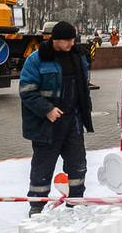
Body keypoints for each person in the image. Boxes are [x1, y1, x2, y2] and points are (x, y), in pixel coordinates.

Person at [19, 21, 94, 217]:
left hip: (72, 120)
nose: (72, 43)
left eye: (73, 38)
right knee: (43, 164)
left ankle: (76, 201)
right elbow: (27, 91)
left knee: (77, 163)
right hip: (47, 122)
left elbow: (83, 87)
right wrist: (47, 110)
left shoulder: (78, 57)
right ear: (56, 40)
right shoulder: (37, 60)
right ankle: (37, 205)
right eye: (68, 40)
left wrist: (85, 111)